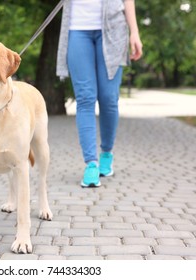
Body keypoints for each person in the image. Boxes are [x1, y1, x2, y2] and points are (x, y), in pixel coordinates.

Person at [56, 0, 143, 187]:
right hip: (77, 29)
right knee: (85, 98)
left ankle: (106, 152)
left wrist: (134, 31)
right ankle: (91, 163)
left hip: (114, 29)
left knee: (109, 98)